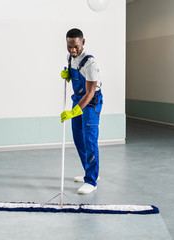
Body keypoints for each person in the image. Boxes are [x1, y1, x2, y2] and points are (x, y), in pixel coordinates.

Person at [60, 28, 103, 195]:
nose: (73, 50)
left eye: (76, 46)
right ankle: (89, 170)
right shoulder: (70, 57)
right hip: (77, 99)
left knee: (89, 138)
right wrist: (68, 75)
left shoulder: (91, 63)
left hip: (90, 102)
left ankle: (91, 181)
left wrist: (74, 111)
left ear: (83, 42)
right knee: (78, 137)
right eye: (69, 46)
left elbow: (90, 92)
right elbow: (76, 79)